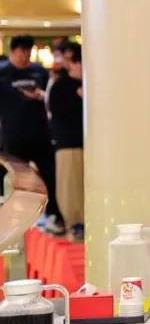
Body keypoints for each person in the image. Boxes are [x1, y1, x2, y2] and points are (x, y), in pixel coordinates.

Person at [0, 35, 63, 234]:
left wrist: (40, 95)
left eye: (28, 53)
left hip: (40, 135)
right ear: (12, 52)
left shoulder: (38, 71)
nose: (25, 57)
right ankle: (13, 220)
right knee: (15, 180)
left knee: (50, 177)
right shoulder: (2, 73)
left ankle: (54, 215)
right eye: (21, 53)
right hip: (13, 136)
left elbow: (51, 96)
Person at [47, 41, 85, 240]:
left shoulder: (90, 85)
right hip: (68, 143)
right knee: (70, 186)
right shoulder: (61, 86)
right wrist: (78, 97)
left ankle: (86, 222)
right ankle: (75, 223)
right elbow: (57, 112)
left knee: (85, 185)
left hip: (89, 145)